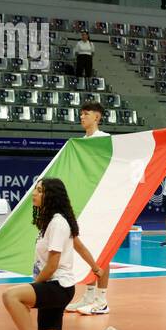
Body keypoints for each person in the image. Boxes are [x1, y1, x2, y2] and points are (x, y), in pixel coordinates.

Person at [2, 179, 136, 330]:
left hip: (57, 287)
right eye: (35, 190)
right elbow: (78, 246)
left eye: (39, 191)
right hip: (55, 286)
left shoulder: (58, 223)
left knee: (11, 296)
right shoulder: (51, 222)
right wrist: (95, 267)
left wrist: (34, 287)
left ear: (51, 197)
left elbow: (52, 265)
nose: (34, 194)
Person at [66, 103, 115, 314]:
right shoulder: (80, 143)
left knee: (103, 253)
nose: (81, 117)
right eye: (81, 114)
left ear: (97, 117)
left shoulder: (105, 140)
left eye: (86, 114)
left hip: (104, 202)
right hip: (86, 204)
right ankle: (88, 295)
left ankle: (102, 300)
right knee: (87, 250)